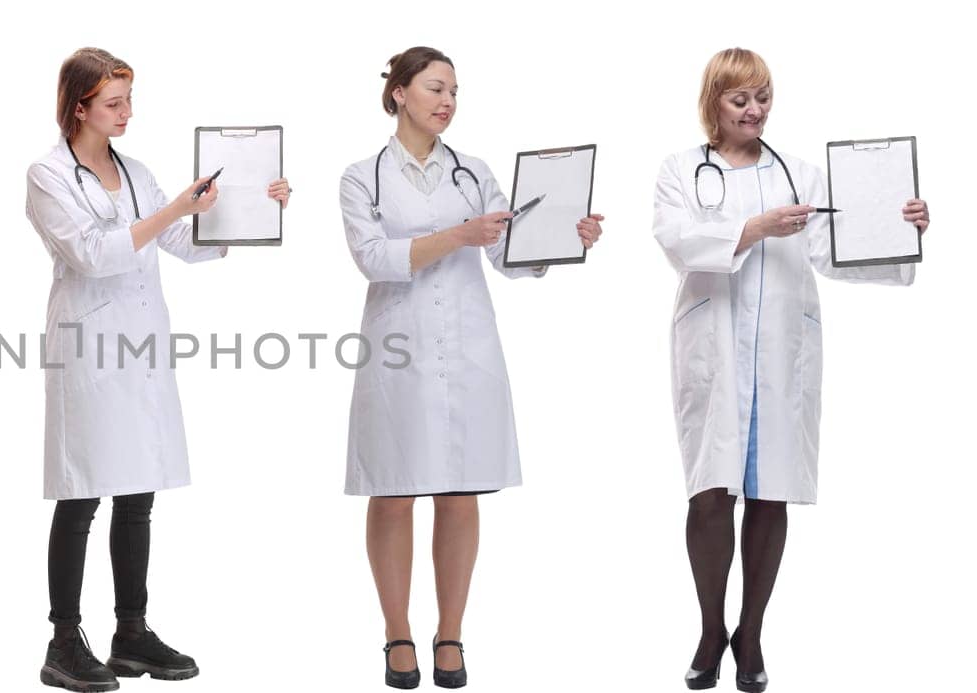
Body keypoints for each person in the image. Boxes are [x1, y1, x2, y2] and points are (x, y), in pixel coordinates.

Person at [653, 48, 929, 693]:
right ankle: (709, 628)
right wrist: (752, 228)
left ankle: (751, 634)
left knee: (771, 490)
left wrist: (903, 229)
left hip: (782, 347)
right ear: (713, 104)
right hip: (713, 346)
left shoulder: (801, 173)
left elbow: (838, 249)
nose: (755, 110)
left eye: (763, 96)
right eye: (740, 99)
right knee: (710, 492)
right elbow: (677, 241)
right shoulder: (680, 170)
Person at [24, 47, 290, 693]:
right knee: (82, 491)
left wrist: (258, 208)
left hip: (139, 348)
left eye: (129, 100)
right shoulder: (47, 175)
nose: (126, 113)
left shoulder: (136, 171)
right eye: (113, 103)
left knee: (137, 494)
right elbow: (92, 254)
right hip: (88, 348)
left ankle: (131, 633)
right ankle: (64, 640)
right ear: (79, 106)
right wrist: (173, 210)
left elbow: (184, 244)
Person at [338, 47, 604, 690]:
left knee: (460, 489)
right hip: (398, 347)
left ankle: (450, 633)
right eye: (434, 87)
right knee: (395, 488)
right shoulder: (361, 176)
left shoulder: (474, 172)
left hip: (467, 345)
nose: (448, 100)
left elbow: (509, 256)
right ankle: (397, 632)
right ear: (399, 93)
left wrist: (568, 240)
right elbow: (375, 258)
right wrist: (459, 235)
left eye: (455, 90)